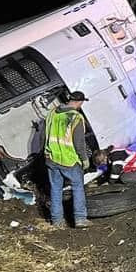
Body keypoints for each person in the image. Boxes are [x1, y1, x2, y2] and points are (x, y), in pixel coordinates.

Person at [44, 90, 92, 228]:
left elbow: (45, 135)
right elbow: (79, 143)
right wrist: (84, 159)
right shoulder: (76, 117)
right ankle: (80, 219)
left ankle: (57, 221)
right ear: (79, 102)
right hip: (68, 159)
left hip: (51, 158)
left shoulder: (52, 113)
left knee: (55, 189)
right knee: (77, 187)